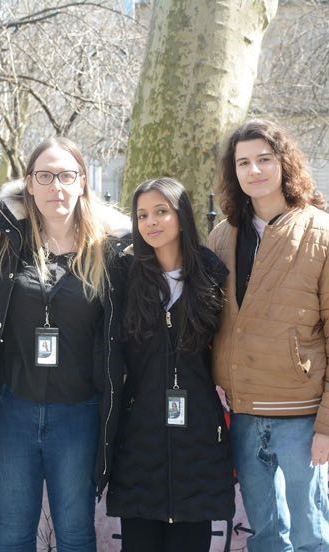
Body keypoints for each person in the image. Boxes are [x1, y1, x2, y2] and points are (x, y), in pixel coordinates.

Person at [0, 137, 130, 552]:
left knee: (74, 533)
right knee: (13, 533)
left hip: (79, 416)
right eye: (45, 176)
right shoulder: (0, 239)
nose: (57, 187)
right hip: (12, 412)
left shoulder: (111, 249)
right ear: (29, 185)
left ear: (83, 183)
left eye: (67, 176)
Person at [207, 120, 329, 551]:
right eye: (243, 162)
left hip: (302, 416)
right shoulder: (223, 235)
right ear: (233, 171)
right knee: (264, 536)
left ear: (284, 163)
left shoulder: (326, 235)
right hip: (243, 412)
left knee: (311, 536)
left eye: (264, 159)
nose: (254, 170)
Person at [106, 177, 234, 552]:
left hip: (198, 433)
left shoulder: (212, 274)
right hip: (139, 431)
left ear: (182, 216)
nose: (151, 222)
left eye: (161, 211)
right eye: (142, 215)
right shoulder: (123, 276)